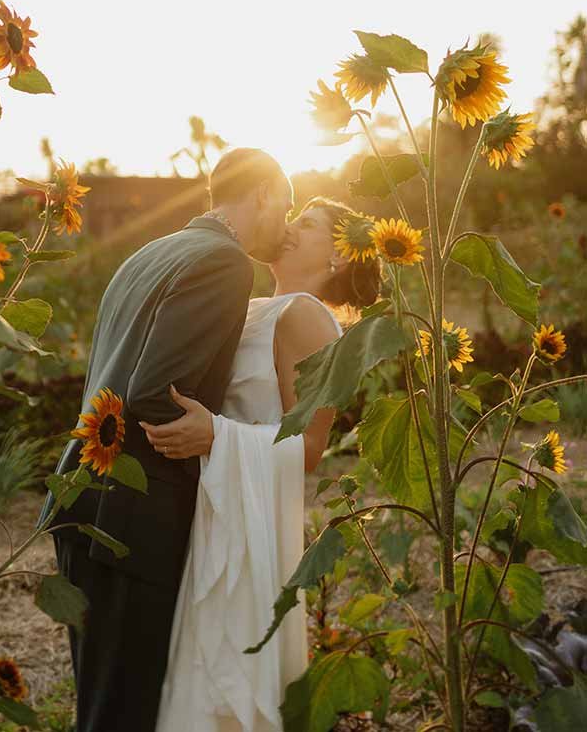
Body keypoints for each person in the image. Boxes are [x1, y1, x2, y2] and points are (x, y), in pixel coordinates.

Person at [39, 148, 294, 732]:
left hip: (82, 500)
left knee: (101, 706)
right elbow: (153, 396)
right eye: (286, 203)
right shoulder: (227, 264)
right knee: (123, 713)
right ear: (261, 193)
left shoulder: (148, 254)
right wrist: (219, 438)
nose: (285, 220)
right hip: (133, 522)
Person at [149, 197, 382, 732]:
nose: (290, 227)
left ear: (340, 258)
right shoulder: (252, 303)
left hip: (244, 514)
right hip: (208, 496)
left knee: (223, 671)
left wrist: (217, 435)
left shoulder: (308, 318)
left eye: (307, 224)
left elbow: (308, 448)